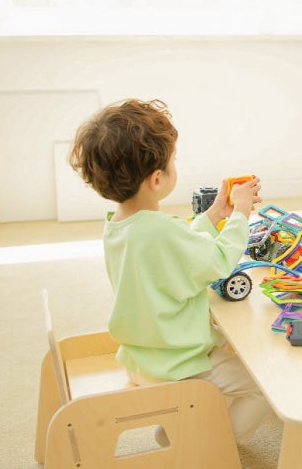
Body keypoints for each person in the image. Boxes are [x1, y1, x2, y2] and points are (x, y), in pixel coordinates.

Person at [69, 98, 270, 444]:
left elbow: (181, 248)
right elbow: (219, 260)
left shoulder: (120, 224)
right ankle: (215, 443)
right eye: (173, 160)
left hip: (142, 357)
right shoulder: (161, 231)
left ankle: (177, 429)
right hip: (179, 365)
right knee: (263, 384)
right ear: (157, 178)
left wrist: (214, 214)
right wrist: (240, 214)